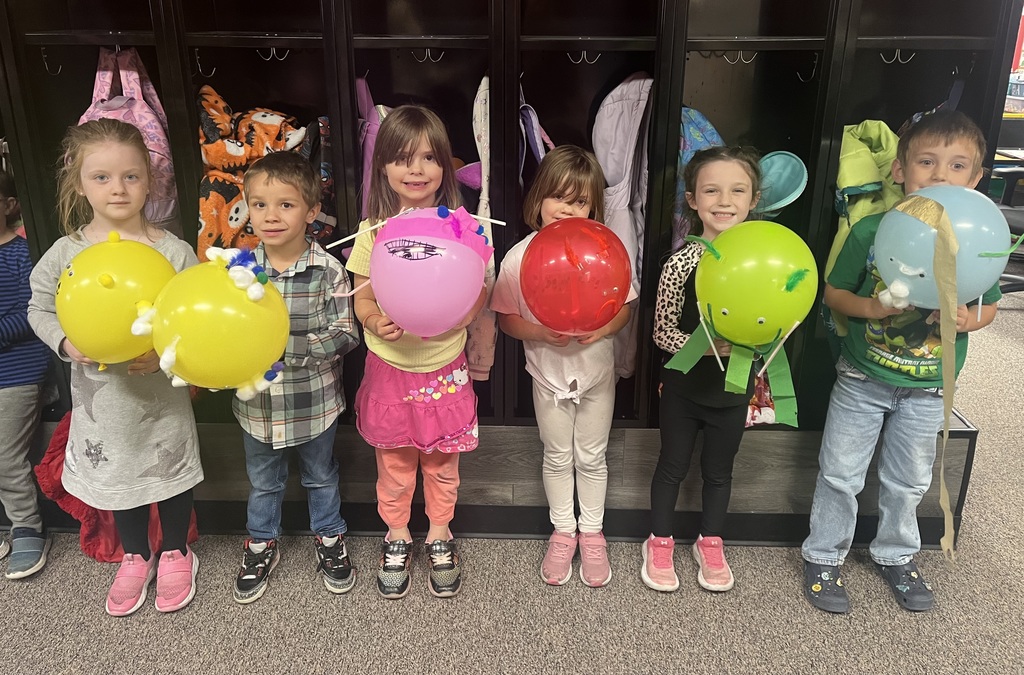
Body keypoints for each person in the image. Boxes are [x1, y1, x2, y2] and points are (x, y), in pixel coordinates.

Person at [801, 110, 999, 614]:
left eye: (957, 167)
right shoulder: (872, 230)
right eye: (926, 162)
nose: (939, 176)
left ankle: (897, 553)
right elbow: (834, 294)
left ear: (975, 180)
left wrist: (964, 320)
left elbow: (990, 305)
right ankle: (823, 555)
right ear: (899, 172)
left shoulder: (977, 238)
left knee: (909, 479)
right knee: (840, 472)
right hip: (863, 379)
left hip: (931, 387)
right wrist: (873, 307)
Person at [27, 119, 203, 615]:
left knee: (170, 473)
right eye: (101, 177)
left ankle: (175, 550)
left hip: (159, 395)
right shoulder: (66, 253)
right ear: (79, 184)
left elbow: (193, 320)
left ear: (150, 180)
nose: (118, 188)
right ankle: (135, 554)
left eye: (130, 176)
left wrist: (168, 350)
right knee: (116, 476)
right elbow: (38, 308)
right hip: (101, 403)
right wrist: (65, 342)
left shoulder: (173, 250)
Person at [347, 105, 486, 599]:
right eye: (403, 158)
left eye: (429, 158)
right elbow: (361, 292)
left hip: (444, 367)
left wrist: (464, 314)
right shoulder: (373, 227)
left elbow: (478, 287)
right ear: (383, 165)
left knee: (443, 463)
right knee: (395, 462)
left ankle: (441, 532)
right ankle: (398, 533)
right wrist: (371, 318)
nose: (417, 169)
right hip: (390, 366)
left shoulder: (462, 224)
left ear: (445, 166)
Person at [491, 145, 635, 587]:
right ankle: (563, 531)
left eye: (580, 201)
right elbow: (506, 318)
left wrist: (607, 326)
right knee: (557, 455)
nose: (568, 209)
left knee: (592, 457)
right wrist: (538, 333)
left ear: (594, 208)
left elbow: (626, 307)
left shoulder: (607, 252)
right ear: (538, 200)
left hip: (596, 374)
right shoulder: (520, 256)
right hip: (547, 375)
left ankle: (592, 532)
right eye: (559, 197)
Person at [230, 152, 360, 603]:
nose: (270, 215)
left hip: (313, 403)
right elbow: (219, 332)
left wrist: (290, 350)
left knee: (320, 476)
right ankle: (261, 542)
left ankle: (329, 537)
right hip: (257, 407)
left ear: (310, 211)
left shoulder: (327, 270)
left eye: (285, 205)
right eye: (259, 204)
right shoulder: (237, 271)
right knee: (263, 481)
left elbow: (345, 335)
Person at [642, 146, 762, 593]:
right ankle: (659, 540)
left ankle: (710, 541)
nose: (725, 201)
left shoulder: (764, 266)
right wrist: (708, 346)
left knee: (719, 471)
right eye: (711, 190)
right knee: (671, 466)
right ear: (693, 200)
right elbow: (660, 332)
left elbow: (782, 314)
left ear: (753, 200)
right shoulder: (680, 263)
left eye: (737, 191)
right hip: (683, 390)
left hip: (733, 391)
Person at [0, 168, 51, 579]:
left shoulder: (22, 254)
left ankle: (26, 526)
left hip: (16, 371)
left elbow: (32, 313)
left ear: (9, 206)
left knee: (5, 456)